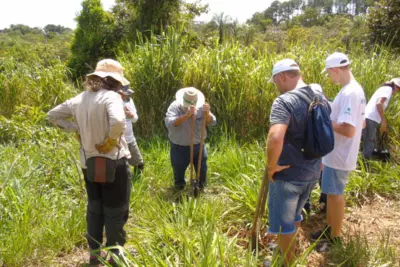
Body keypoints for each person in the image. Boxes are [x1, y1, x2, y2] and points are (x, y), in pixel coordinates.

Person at [47, 59, 132, 266]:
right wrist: (111, 141)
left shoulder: (79, 99)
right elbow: (119, 122)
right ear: (113, 81)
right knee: (115, 209)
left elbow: (52, 116)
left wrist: (75, 130)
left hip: (89, 164)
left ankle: (94, 254)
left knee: (95, 208)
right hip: (114, 162)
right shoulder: (111, 97)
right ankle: (114, 255)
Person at [264, 59, 323, 266]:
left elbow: (275, 137)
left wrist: (272, 166)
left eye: (276, 82)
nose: (277, 87)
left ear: (282, 76)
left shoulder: (284, 101)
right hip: (313, 171)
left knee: (283, 224)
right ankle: (288, 249)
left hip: (288, 173)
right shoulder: (319, 96)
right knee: (296, 215)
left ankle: (286, 262)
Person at [311, 52, 366, 251]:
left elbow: (349, 129)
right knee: (331, 193)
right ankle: (329, 227)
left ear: (335, 70)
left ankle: (335, 237)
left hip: (340, 154)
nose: (329, 77)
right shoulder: (350, 90)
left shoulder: (350, 92)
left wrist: (324, 121)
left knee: (335, 195)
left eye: (329, 73)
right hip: (336, 153)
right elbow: (362, 123)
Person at [165, 87, 217, 191]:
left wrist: (207, 114)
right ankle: (179, 188)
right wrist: (186, 115)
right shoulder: (175, 107)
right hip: (180, 146)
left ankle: (201, 187)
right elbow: (170, 123)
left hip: (198, 144)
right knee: (179, 168)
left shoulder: (202, 107)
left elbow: (213, 122)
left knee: (202, 168)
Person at [362, 78, 400, 159]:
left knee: (369, 141)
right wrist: (383, 120)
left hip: (367, 116)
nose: (397, 92)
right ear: (396, 87)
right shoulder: (388, 89)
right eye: (399, 90)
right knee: (370, 143)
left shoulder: (383, 88)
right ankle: (367, 166)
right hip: (371, 118)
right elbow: (379, 104)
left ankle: (365, 164)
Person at [118, 86, 145, 178]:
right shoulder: (112, 103)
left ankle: (136, 181)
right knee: (122, 166)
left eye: (128, 94)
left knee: (139, 163)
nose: (127, 96)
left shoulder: (130, 101)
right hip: (118, 140)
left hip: (130, 138)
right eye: (124, 94)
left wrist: (131, 115)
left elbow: (135, 119)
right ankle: (125, 182)